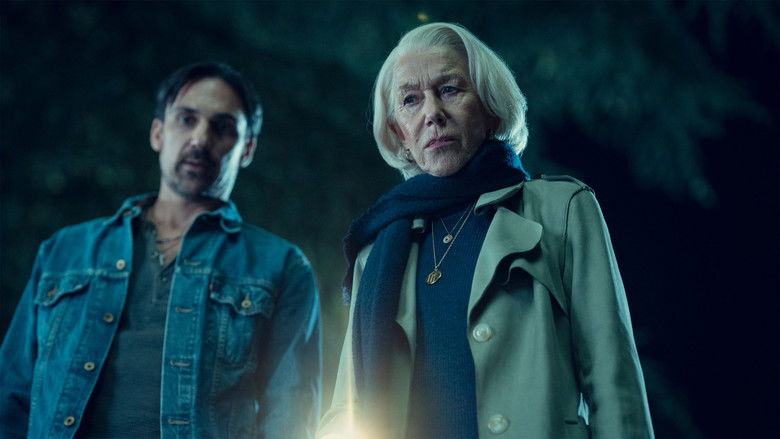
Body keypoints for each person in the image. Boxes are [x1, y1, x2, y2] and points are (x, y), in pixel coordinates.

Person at [318, 23, 654, 439]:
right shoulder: (375, 254)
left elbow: (612, 380)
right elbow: (346, 405)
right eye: (410, 100)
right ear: (399, 134)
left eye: (449, 89)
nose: (432, 113)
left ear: (490, 108)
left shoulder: (563, 209)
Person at [0, 61, 321, 438]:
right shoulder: (63, 252)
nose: (199, 139)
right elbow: (12, 399)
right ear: (157, 133)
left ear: (246, 149)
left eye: (222, 127)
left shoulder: (282, 267)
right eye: (186, 119)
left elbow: (290, 417)